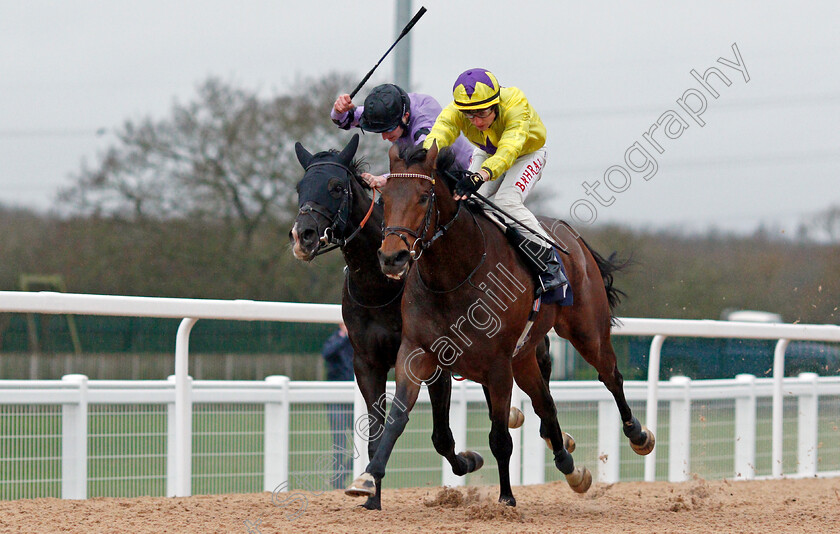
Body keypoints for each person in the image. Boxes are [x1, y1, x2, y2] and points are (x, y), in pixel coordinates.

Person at [422, 68, 567, 293]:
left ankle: (549, 260)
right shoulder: (458, 110)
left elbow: (509, 149)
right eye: (470, 116)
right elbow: (441, 132)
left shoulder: (516, 102)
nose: (476, 122)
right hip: (488, 152)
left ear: (496, 104)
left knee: (506, 201)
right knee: (470, 204)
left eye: (482, 114)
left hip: (526, 153)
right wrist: (423, 157)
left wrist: (480, 176)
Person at [331, 83, 473, 187]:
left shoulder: (424, 120)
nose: (384, 137)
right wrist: (339, 109)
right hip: (432, 177)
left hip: (464, 174)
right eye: (380, 131)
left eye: (389, 130)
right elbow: (343, 121)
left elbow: (420, 163)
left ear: (405, 116)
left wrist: (384, 179)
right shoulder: (387, 111)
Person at [320, 322, 355, 489]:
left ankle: (342, 477)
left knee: (366, 442)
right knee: (340, 443)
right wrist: (344, 337)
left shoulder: (358, 340)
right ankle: (338, 484)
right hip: (336, 398)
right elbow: (327, 353)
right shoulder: (335, 339)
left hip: (355, 398)